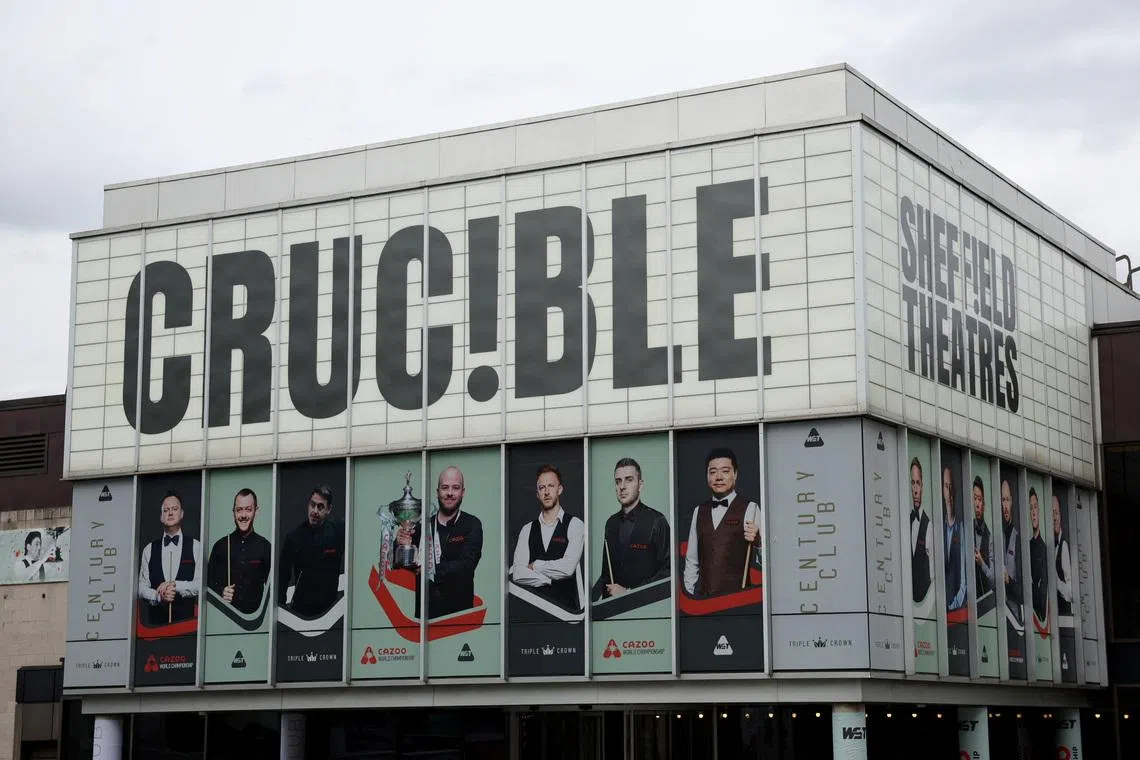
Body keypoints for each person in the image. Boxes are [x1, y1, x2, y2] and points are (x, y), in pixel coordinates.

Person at [396, 466, 484, 619]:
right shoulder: (421, 526)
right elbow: (399, 563)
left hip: (460, 618)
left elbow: (467, 564)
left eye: (455, 488)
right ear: (437, 492)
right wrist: (400, 543)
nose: (450, 493)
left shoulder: (472, 524)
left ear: (463, 492)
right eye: (445, 488)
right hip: (425, 618)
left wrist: (430, 569)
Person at [682, 447, 760, 598]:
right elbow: (692, 561)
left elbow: (767, 563)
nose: (718, 477)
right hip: (704, 602)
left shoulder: (751, 508)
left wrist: (759, 542)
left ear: (735, 475)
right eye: (713, 472)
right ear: (707, 476)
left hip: (738, 602)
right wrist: (690, 596)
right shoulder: (698, 511)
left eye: (725, 471)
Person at [591, 458, 670, 602]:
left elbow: (668, 572)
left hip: (648, 609)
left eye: (629, 480)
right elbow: (606, 575)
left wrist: (629, 592)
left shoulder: (657, 521)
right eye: (618, 481)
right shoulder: (611, 523)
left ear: (640, 485)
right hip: (614, 611)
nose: (622, 486)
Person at [511, 464, 586, 613]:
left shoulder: (575, 524)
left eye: (551, 486)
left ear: (559, 490)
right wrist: (548, 580)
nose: (546, 492)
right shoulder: (527, 530)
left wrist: (535, 566)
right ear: (537, 494)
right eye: (541, 487)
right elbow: (518, 573)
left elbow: (567, 568)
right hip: (534, 613)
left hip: (567, 614)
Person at [278, 485, 345, 618]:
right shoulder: (294, 537)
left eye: (320, 507)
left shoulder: (338, 532)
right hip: (301, 613)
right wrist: (281, 612)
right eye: (312, 505)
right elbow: (282, 577)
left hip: (330, 612)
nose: (314, 511)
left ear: (329, 509)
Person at [137, 490, 202, 626]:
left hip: (186, 627)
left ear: (182, 513)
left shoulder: (196, 546)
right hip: (155, 629)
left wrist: (175, 585)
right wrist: (158, 596)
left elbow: (201, 584)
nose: (170, 513)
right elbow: (141, 587)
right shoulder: (149, 549)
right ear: (161, 517)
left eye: (174, 509)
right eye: (166, 510)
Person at [207, 488, 272, 614]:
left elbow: (273, 589)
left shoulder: (265, 547)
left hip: (255, 625)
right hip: (223, 619)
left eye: (248, 509)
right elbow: (207, 584)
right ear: (233, 512)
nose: (243, 515)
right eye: (239, 510)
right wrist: (221, 591)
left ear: (256, 511)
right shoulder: (220, 546)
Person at [909, 457, 934, 605]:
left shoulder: (929, 525)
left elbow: (932, 575)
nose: (916, 490)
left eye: (918, 483)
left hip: (924, 608)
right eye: (912, 483)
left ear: (922, 487)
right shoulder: (906, 522)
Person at [943, 465, 966, 612]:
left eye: (951, 486)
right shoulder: (938, 529)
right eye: (946, 486)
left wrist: (952, 606)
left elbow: (964, 581)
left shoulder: (962, 529)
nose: (949, 492)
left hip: (956, 610)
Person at [1000, 477, 1023, 623]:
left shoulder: (1018, 540)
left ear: (1012, 501)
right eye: (1003, 500)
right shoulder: (996, 536)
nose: (1005, 506)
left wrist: (1009, 580)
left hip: (1014, 619)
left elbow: (1024, 592)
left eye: (1007, 500)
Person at [1028, 487, 1048, 624]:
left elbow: (1044, 586)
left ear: (1039, 510)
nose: (1033, 512)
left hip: (1040, 615)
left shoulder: (1044, 548)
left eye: (1035, 507)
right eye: (1031, 508)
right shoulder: (1026, 546)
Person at [973, 475, 995, 597]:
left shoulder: (990, 537)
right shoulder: (967, 529)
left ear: (984, 504)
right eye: (975, 499)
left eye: (979, 499)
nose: (977, 504)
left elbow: (993, 579)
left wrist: (982, 563)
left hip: (986, 603)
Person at [1053, 493, 1072, 618]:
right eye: (1051, 513)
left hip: (1065, 617)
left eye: (1056, 513)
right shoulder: (1052, 545)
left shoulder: (1064, 546)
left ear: (1060, 515)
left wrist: (1057, 582)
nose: (1054, 517)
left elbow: (1071, 593)